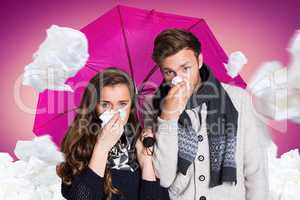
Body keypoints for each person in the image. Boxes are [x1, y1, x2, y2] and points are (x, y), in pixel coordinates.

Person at [142, 29, 270, 200]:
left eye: (185, 68)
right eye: (169, 72)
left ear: (199, 60)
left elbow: (255, 170)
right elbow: (163, 178)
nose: (178, 78)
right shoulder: (154, 105)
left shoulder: (237, 98)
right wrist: (168, 116)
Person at [57, 68, 169, 200]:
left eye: (122, 104)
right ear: (94, 106)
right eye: (105, 104)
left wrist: (146, 163)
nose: (115, 112)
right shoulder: (79, 146)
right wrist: (102, 148)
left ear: (131, 106)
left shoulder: (140, 143)